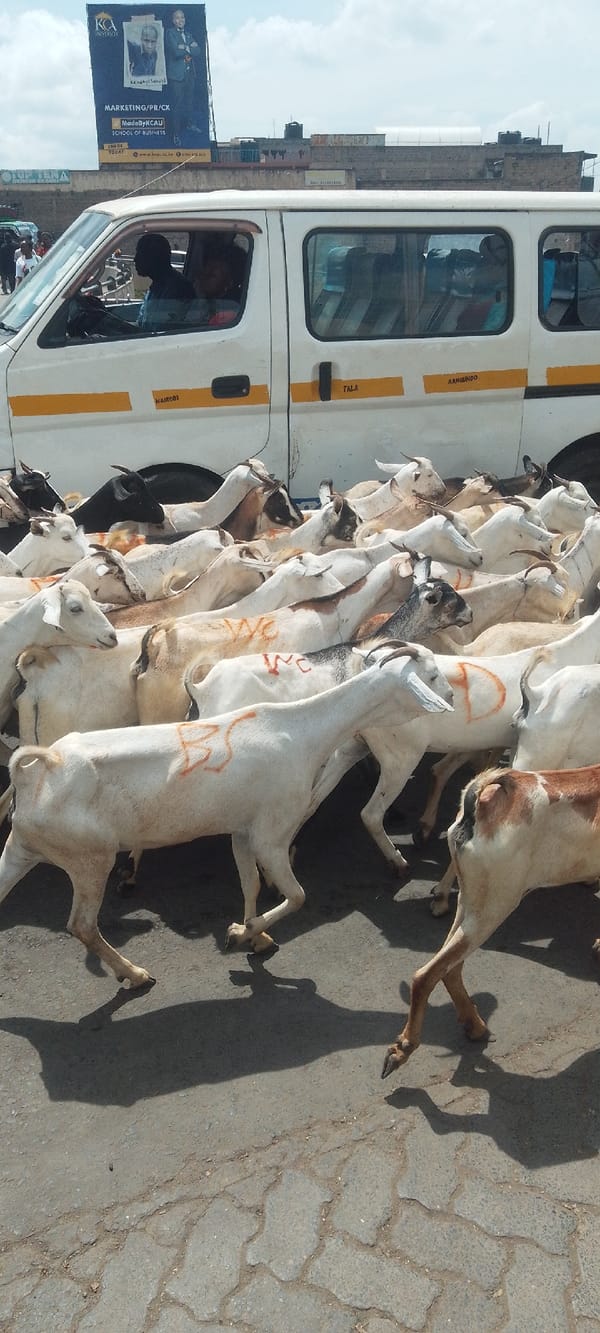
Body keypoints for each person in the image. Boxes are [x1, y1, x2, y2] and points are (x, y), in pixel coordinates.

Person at [134, 233, 194, 331]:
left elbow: (159, 331)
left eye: (140, 254)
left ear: (154, 258)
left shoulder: (178, 289)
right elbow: (142, 324)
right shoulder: (157, 285)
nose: (135, 259)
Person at [165, 8, 201, 146]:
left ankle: (190, 124)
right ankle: (176, 134)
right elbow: (175, 51)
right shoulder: (170, 33)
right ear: (173, 20)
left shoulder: (188, 34)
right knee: (177, 105)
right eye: (177, 18)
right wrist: (188, 48)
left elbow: (197, 50)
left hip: (189, 73)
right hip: (177, 75)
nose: (180, 20)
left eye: (182, 18)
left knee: (189, 102)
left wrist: (184, 47)